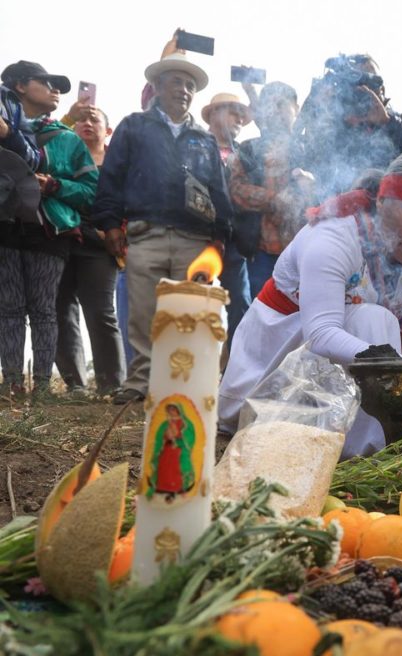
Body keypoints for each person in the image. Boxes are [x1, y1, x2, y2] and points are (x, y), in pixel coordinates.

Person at [219, 150, 402, 457]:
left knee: (378, 323)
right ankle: (361, 454)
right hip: (275, 365)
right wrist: (396, 365)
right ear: (382, 201)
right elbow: (321, 334)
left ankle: (367, 446)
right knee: (376, 320)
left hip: (345, 367)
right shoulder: (333, 238)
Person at [93, 52, 233, 405]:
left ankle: (183, 382)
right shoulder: (133, 127)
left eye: (189, 85)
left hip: (194, 239)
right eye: (176, 81)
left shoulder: (203, 140)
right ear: (156, 87)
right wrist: (110, 223)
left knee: (190, 313)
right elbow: (111, 178)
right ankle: (140, 382)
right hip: (145, 233)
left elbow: (219, 190)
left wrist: (220, 236)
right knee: (142, 313)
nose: (184, 90)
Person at [0, 61, 98, 399]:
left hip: (50, 231)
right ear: (19, 86)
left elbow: (91, 192)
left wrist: (55, 185)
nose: (55, 89)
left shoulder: (68, 139)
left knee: (43, 309)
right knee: (9, 307)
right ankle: (12, 383)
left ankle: (41, 387)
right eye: (46, 82)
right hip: (5, 227)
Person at [55, 108, 126, 396]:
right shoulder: (61, 158)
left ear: (107, 130)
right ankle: (75, 384)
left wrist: (116, 231)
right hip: (60, 239)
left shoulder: (117, 164)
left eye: (94, 119)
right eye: (81, 120)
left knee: (101, 312)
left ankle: (112, 384)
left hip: (100, 244)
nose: (87, 124)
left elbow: (128, 201)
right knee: (61, 309)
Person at [297, 54, 402, 198]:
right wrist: (321, 105)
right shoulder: (334, 122)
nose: (364, 89)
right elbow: (313, 155)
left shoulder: (397, 121)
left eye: (371, 81)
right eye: (357, 82)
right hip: (345, 208)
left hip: (389, 206)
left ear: (382, 89)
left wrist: (387, 122)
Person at [229, 81, 313, 297]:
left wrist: (308, 192)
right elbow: (236, 189)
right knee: (263, 316)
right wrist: (274, 199)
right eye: (270, 106)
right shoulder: (249, 148)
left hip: (307, 252)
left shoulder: (311, 149)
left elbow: (328, 192)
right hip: (263, 252)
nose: (276, 111)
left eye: (282, 105)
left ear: (295, 107)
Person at [201, 91, 252, 345]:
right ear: (214, 114)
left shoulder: (247, 154)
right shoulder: (195, 145)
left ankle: (234, 373)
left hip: (235, 241)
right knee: (198, 301)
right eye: (234, 113)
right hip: (200, 236)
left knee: (242, 303)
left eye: (242, 115)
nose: (240, 120)